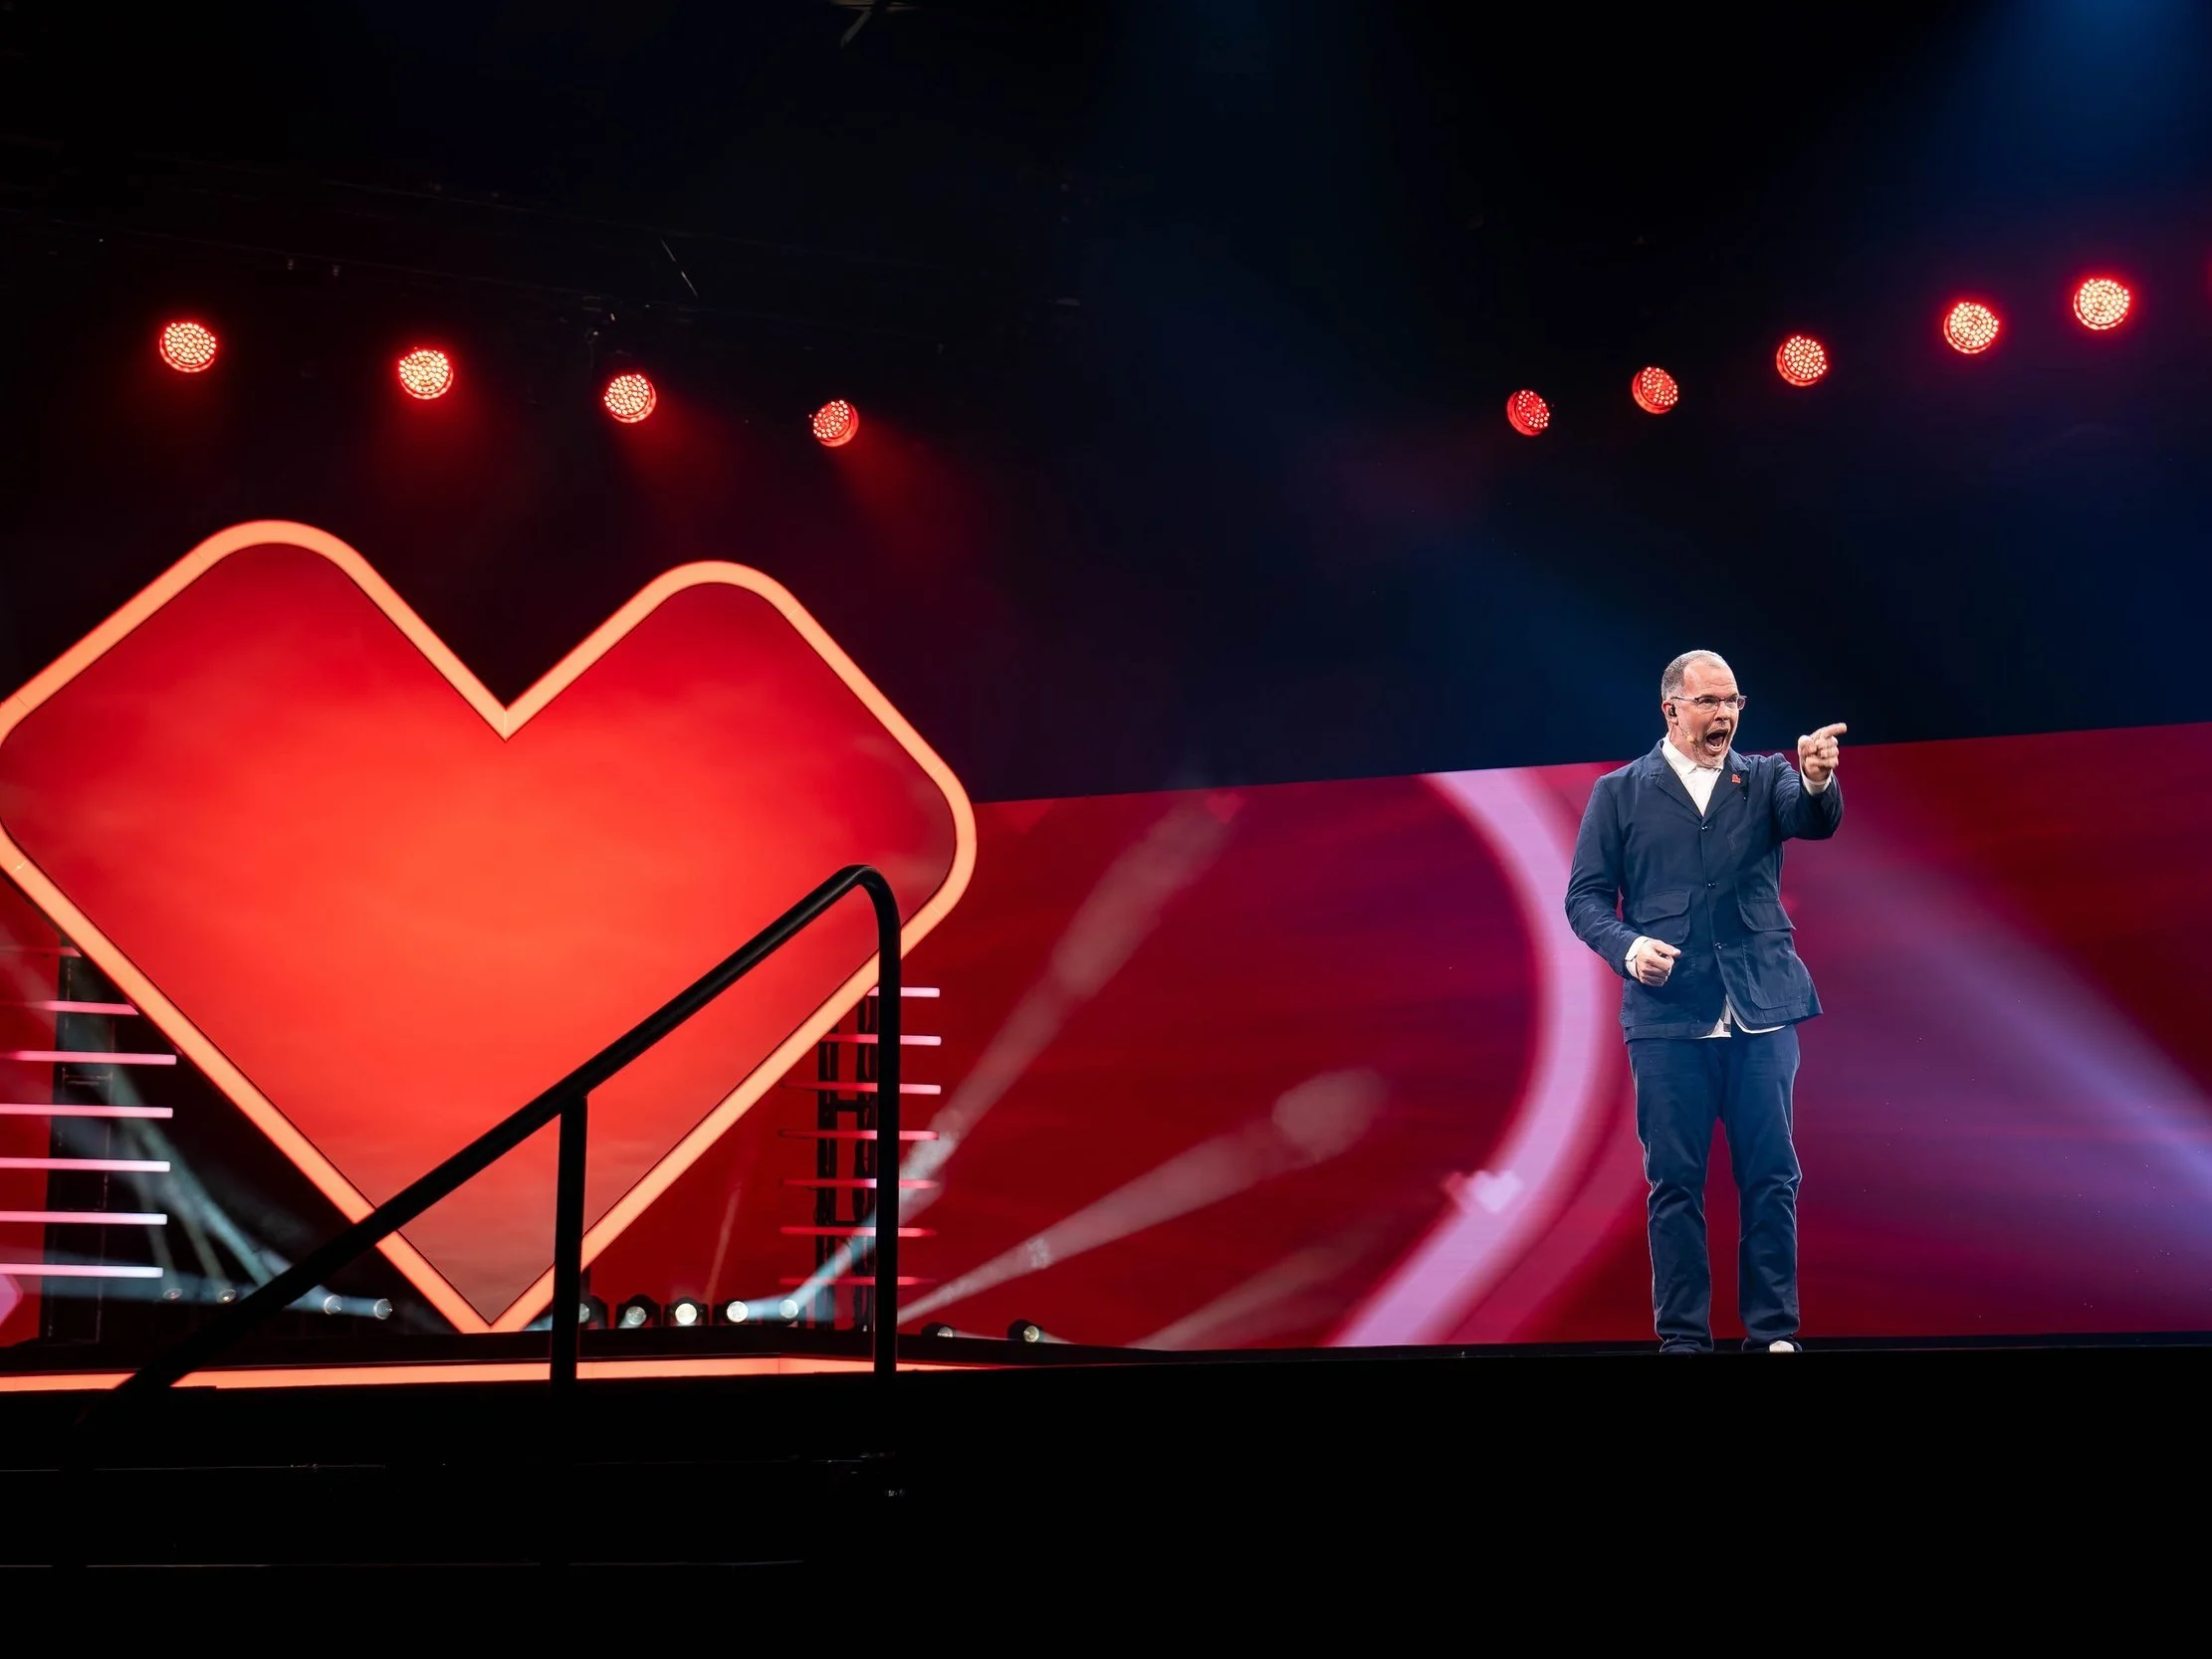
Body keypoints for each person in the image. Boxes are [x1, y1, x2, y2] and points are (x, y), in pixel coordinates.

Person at [1563, 650, 1845, 1352]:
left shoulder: (1767, 776)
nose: (1725, 715)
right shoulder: (1619, 792)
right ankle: (1684, 1339)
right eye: (1710, 702)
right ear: (1672, 710)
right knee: (1675, 1183)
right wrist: (1629, 947)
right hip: (1668, 1019)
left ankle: (1773, 1333)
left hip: (1761, 1009)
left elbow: (1811, 818)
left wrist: (1816, 778)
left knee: (1771, 1176)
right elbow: (1586, 898)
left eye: (1733, 702)